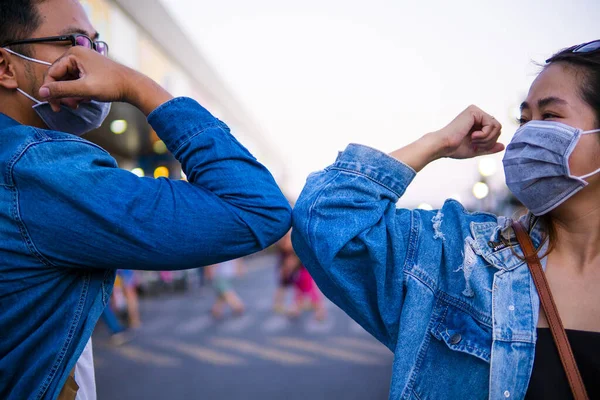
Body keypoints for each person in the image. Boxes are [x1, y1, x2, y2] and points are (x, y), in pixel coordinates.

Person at [0, 1, 291, 399]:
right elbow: (256, 209)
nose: (90, 58)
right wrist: (135, 85)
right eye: (73, 41)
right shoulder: (39, 171)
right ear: (5, 67)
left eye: (97, 46)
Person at [292, 40, 600, 400]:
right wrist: (437, 143)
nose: (527, 134)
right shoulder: (465, 256)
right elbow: (324, 218)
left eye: (549, 117)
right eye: (524, 120)